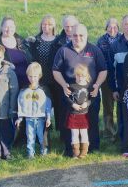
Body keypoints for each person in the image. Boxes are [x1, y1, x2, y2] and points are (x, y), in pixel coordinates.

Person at [53, 24, 107, 155]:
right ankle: (71, 150)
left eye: (81, 35)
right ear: (71, 36)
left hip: (90, 94)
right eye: (75, 35)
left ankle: (93, 148)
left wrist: (97, 85)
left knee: (92, 120)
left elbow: (103, 70)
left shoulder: (94, 50)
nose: (78, 38)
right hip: (71, 95)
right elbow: (55, 70)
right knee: (71, 123)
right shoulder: (63, 50)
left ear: (86, 35)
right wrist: (64, 84)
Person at [0, 16, 32, 147]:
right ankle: (8, 142)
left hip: (25, 82)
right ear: (1, 27)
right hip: (6, 84)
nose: (8, 29)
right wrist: (5, 63)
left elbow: (30, 56)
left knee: (24, 110)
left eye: (11, 27)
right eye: (6, 26)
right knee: (10, 111)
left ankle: (23, 139)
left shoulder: (21, 41)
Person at [27, 14, 61, 147]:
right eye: (44, 24)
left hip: (56, 80)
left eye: (49, 24)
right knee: (41, 109)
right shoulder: (35, 41)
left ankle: (60, 135)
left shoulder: (58, 41)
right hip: (40, 81)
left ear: (54, 26)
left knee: (57, 108)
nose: (46, 27)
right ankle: (43, 140)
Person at [109, 14, 128, 154]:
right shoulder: (115, 45)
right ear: (123, 26)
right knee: (122, 115)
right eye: (126, 24)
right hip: (122, 87)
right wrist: (114, 89)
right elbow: (111, 68)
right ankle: (123, 141)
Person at [15, 62, 52, 159]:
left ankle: (44, 151)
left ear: (39, 76)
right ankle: (30, 153)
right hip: (28, 119)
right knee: (30, 137)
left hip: (41, 119)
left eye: (35, 76)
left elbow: (47, 104)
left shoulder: (44, 89)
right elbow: (21, 104)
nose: (32, 79)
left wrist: (48, 117)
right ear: (27, 76)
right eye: (30, 76)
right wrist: (20, 118)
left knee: (41, 136)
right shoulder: (24, 90)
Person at [53, 15, 79, 144]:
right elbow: (54, 65)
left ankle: (81, 138)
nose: (69, 29)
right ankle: (65, 139)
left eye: (72, 26)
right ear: (63, 27)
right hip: (63, 82)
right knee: (64, 111)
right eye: (67, 26)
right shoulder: (58, 41)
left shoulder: (82, 38)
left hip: (80, 83)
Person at [97, 18, 121, 139]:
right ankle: (108, 131)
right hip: (106, 77)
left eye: (115, 27)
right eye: (109, 27)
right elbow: (99, 59)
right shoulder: (101, 41)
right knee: (108, 105)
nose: (112, 29)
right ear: (106, 28)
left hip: (120, 76)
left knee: (121, 105)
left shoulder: (122, 39)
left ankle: (120, 130)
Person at [65, 64, 93, 159]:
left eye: (83, 76)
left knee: (84, 133)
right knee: (74, 134)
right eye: (78, 75)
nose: (80, 78)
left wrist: (87, 104)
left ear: (87, 76)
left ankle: (84, 153)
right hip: (73, 115)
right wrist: (73, 104)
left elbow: (92, 98)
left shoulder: (89, 86)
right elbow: (66, 97)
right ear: (75, 75)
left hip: (84, 115)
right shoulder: (71, 85)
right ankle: (75, 153)